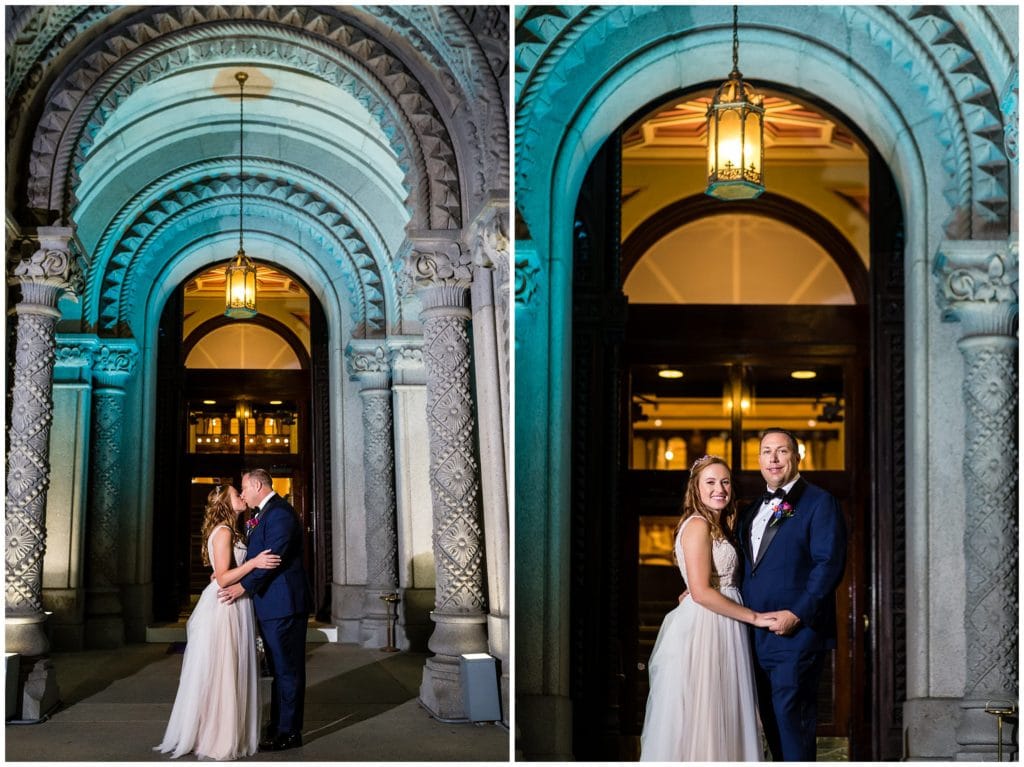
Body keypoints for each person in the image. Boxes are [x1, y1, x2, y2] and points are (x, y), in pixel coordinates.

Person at [640, 455, 774, 761]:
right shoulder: (698, 524)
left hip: (722, 623)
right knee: (708, 714)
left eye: (725, 481)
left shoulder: (718, 526)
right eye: (710, 482)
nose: (720, 489)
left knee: (724, 713)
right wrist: (755, 617)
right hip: (709, 628)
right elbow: (700, 592)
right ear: (696, 489)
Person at [740, 428, 847, 761]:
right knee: (770, 721)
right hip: (752, 633)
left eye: (782, 451)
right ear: (758, 459)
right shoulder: (752, 509)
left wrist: (797, 613)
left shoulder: (818, 502)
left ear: (797, 457)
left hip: (795, 634)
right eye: (766, 451)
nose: (773, 459)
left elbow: (828, 564)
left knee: (792, 719)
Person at [156, 484, 281, 760]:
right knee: (223, 669)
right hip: (226, 605)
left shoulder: (232, 530)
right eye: (237, 494)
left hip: (235, 601)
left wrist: (233, 570)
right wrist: (255, 562)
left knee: (231, 667)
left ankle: (225, 731)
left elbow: (221, 573)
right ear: (226, 502)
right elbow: (224, 577)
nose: (241, 497)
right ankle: (217, 736)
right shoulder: (223, 532)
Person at [218, 468, 312, 752]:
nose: (243, 493)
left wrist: (242, 586)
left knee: (288, 670)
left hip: (284, 604)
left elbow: (271, 559)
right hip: (271, 605)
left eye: (244, 488)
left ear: (258, 485)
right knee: (278, 669)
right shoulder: (260, 515)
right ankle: (277, 724)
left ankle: (289, 732)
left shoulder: (280, 514)